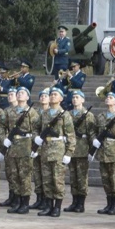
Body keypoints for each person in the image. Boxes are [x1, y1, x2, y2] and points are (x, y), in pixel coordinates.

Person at [0, 87, 41, 215]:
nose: (19, 95)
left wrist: (35, 144)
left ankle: (25, 203)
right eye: (18, 93)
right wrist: (4, 139)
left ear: (27, 97)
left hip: (26, 145)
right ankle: (17, 202)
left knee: (25, 176)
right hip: (13, 146)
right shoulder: (10, 111)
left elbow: (36, 129)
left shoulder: (31, 112)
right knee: (14, 175)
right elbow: (1, 126)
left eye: (22, 93)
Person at [35, 87, 75, 217]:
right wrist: (36, 138)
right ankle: (48, 205)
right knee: (46, 180)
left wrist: (69, 153)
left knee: (57, 180)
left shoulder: (65, 114)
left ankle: (57, 206)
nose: (52, 96)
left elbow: (71, 135)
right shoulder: (44, 113)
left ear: (61, 98)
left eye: (55, 95)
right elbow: (36, 127)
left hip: (58, 150)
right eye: (51, 94)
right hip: (45, 150)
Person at [92, 92, 115, 215]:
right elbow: (94, 130)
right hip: (103, 152)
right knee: (106, 179)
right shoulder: (101, 116)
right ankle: (108, 204)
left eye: (111, 98)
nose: (108, 99)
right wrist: (95, 140)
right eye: (107, 97)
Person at [66, 91, 95, 212]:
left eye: (77, 97)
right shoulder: (68, 114)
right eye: (73, 97)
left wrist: (92, 150)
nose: (74, 99)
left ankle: (81, 203)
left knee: (81, 177)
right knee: (73, 177)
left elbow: (91, 133)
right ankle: (74, 201)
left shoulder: (88, 115)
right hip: (71, 150)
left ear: (82, 100)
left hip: (82, 149)